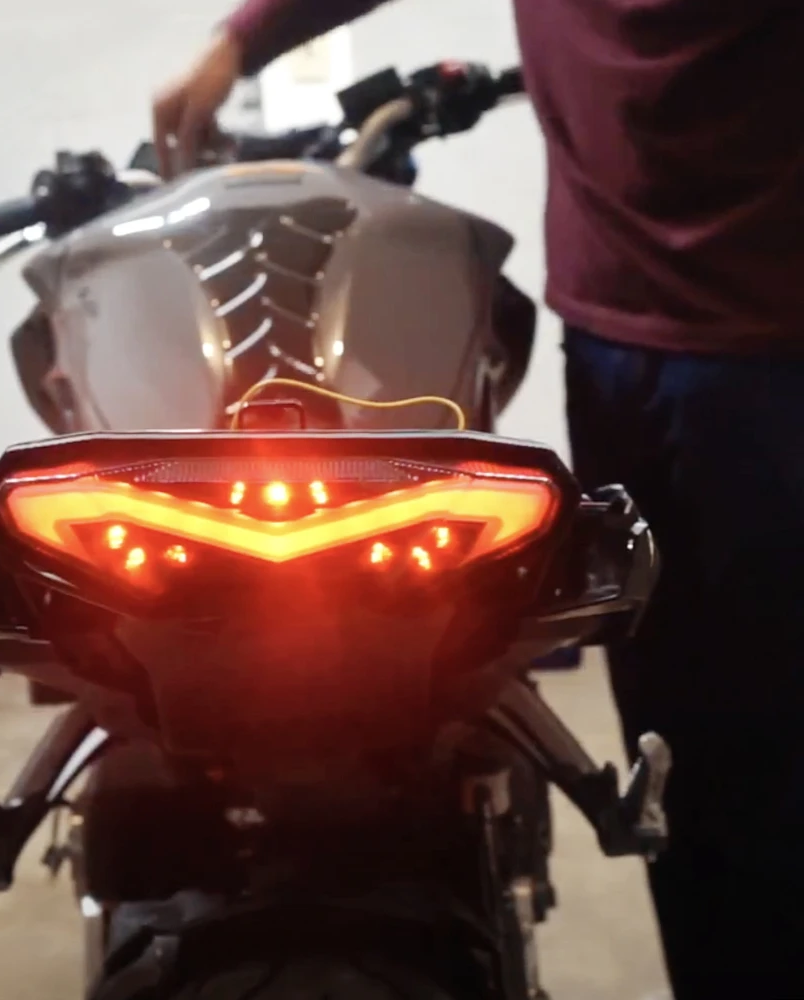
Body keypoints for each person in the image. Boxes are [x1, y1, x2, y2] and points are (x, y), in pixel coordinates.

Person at [152, 2, 804, 997]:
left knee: (764, 754)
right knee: (675, 757)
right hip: (617, 334)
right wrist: (242, 41)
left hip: (775, 346)